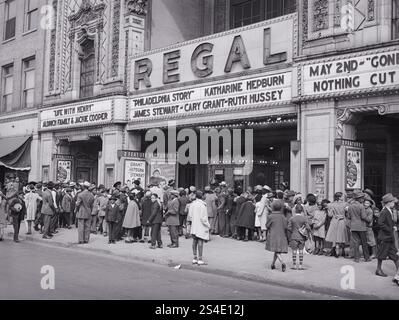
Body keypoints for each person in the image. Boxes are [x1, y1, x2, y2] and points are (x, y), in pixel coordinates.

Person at [375, 193, 399, 285]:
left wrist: (393, 226)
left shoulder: (389, 210)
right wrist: (390, 229)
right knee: (381, 254)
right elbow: (380, 223)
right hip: (385, 237)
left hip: (389, 237)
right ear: (389, 202)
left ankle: (397, 272)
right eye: (393, 202)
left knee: (394, 255)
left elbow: (388, 222)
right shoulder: (384, 211)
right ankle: (378, 269)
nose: (394, 203)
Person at [347, 190, 371, 263]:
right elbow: (363, 217)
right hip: (361, 226)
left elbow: (349, 216)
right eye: (362, 198)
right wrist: (369, 219)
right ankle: (367, 258)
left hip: (353, 226)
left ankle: (356, 258)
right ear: (359, 198)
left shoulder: (350, 206)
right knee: (364, 242)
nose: (363, 199)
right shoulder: (361, 206)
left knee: (356, 243)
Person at [187, 190, 210, 265]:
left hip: (194, 224)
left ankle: (194, 257)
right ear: (202, 196)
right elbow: (204, 218)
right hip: (201, 225)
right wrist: (208, 225)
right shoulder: (202, 205)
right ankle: (200, 258)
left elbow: (190, 216)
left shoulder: (192, 204)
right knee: (200, 241)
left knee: (194, 241)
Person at [266, 200, 288, 272]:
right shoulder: (283, 216)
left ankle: (282, 262)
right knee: (277, 251)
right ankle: (273, 264)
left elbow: (267, 225)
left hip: (273, 235)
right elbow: (285, 226)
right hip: (281, 235)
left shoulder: (271, 216)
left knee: (277, 250)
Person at [325, 192, 349, 258]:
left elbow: (330, 215)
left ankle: (337, 252)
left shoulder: (331, 205)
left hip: (334, 221)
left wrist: (328, 210)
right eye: (342, 196)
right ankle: (343, 251)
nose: (343, 197)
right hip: (342, 220)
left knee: (335, 237)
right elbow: (347, 212)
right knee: (342, 236)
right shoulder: (345, 204)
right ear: (339, 197)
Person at [288, 205, 311, 270]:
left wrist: (293, 231)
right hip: (301, 237)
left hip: (294, 236)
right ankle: (300, 265)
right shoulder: (304, 218)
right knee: (301, 251)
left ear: (295, 210)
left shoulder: (292, 218)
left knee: (294, 251)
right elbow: (308, 228)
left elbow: (289, 227)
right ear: (301, 210)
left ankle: (294, 265)